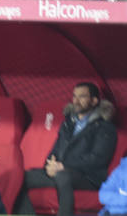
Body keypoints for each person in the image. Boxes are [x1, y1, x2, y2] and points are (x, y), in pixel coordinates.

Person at [17, 83, 118, 216]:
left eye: (82, 97)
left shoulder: (104, 127)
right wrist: (50, 164)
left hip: (88, 177)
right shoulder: (68, 123)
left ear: (94, 101)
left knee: (63, 176)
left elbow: (97, 159)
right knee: (18, 177)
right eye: (74, 96)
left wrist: (62, 166)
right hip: (61, 171)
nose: (75, 101)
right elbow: (56, 149)